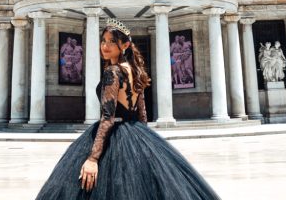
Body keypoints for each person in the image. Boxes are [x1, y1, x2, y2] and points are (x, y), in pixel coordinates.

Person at [36, 18, 221, 200]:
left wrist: (93, 158)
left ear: (124, 45)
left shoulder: (113, 71)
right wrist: (146, 146)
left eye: (111, 42)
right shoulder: (135, 70)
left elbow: (108, 116)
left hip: (115, 133)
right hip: (136, 132)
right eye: (103, 41)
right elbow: (142, 114)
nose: (105, 46)